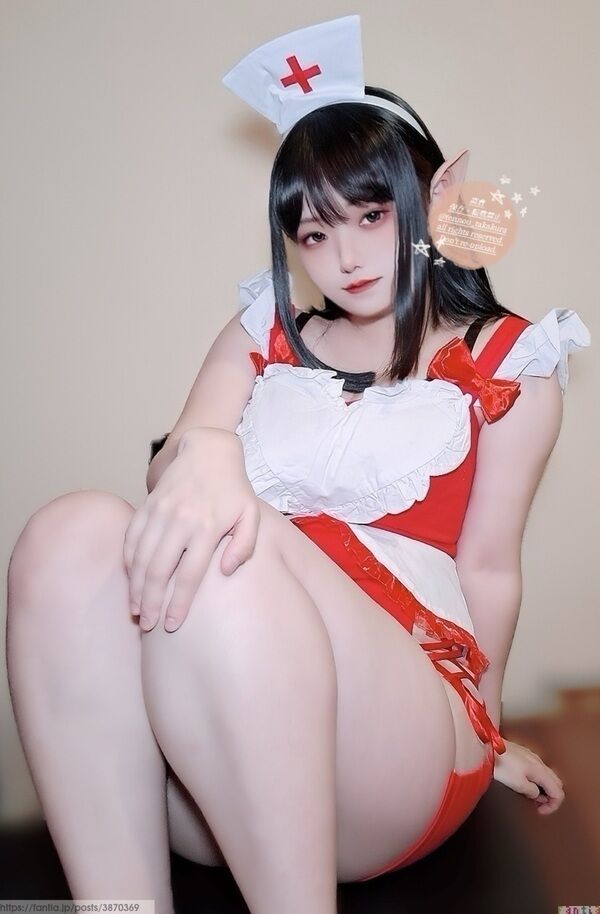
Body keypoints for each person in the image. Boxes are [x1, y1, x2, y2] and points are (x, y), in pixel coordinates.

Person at [5, 13, 591, 914]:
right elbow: (181, 474)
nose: (344, 258)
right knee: (69, 531)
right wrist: (202, 448)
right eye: (314, 234)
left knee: (235, 546)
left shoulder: (511, 363)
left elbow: (487, 566)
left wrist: (487, 728)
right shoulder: (263, 334)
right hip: (214, 773)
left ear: (435, 199)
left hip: (396, 741)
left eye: (372, 216)